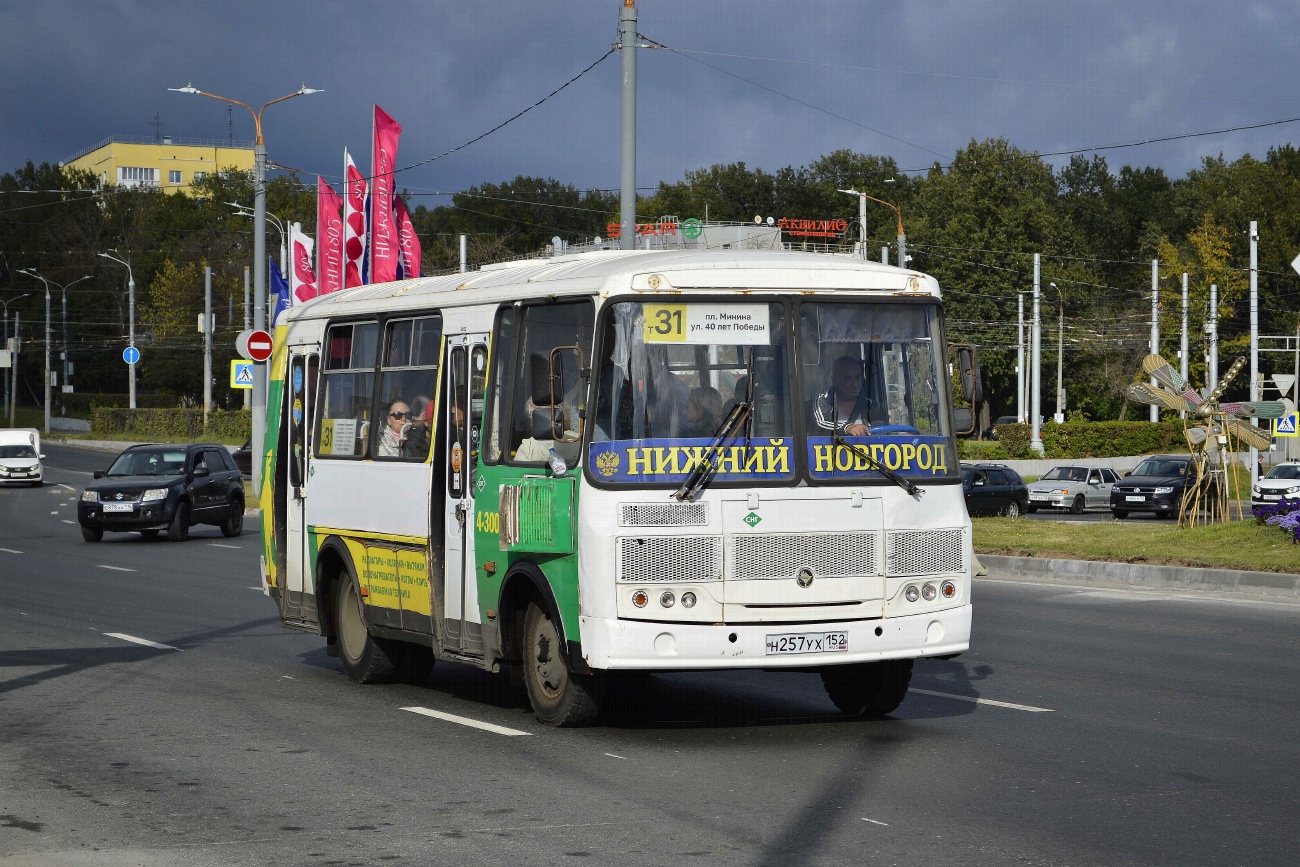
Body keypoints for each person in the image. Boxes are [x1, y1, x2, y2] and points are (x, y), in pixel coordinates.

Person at [811, 355, 873, 436]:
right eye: (848, 379)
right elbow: (821, 423)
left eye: (857, 378)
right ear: (834, 380)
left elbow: (881, 429)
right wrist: (848, 428)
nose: (855, 384)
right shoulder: (822, 399)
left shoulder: (869, 403)